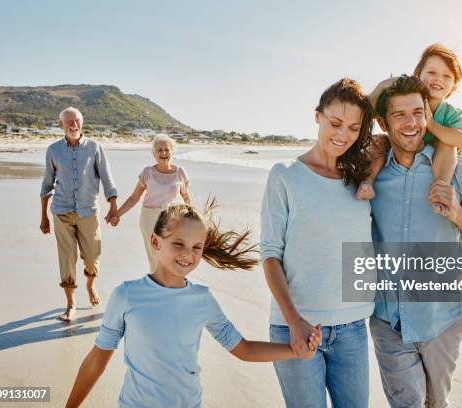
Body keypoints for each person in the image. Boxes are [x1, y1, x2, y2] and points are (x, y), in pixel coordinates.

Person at [66, 202, 321, 408]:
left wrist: (295, 351)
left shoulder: (202, 299)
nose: (188, 254)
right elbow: (97, 359)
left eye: (196, 247)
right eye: (178, 244)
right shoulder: (127, 295)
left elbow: (243, 349)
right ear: (155, 242)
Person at [370, 75, 462, 407]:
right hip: (388, 320)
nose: (411, 123)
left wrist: (458, 214)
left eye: (418, 112)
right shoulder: (371, 174)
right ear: (384, 123)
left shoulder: (459, 171)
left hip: (441, 320)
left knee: (437, 404)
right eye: (400, 115)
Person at [261, 78, 375, 408]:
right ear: (318, 117)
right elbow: (270, 255)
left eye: (354, 127)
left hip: (353, 326)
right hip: (296, 327)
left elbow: (396, 120)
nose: (343, 134)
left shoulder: (360, 178)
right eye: (335, 123)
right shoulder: (285, 174)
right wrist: (294, 321)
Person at [357, 44, 462, 209]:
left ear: (454, 85)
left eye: (447, 76)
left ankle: (440, 189)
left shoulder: (451, 113)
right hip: (404, 149)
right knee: (379, 141)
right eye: (431, 72)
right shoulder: (406, 96)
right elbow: (363, 114)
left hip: (437, 157)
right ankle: (367, 182)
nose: (438, 79)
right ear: (418, 75)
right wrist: (381, 87)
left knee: (447, 144)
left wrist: (430, 124)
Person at [40, 107, 118, 321]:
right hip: (61, 211)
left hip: (88, 211)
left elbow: (107, 177)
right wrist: (44, 216)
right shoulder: (53, 150)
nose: (73, 125)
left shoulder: (94, 147)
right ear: (61, 125)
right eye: (68, 122)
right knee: (66, 259)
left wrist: (113, 205)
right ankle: (71, 303)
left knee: (92, 256)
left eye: (76, 121)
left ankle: (90, 286)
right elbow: (47, 184)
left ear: (82, 124)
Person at [110, 134, 191, 271]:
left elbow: (186, 197)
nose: (164, 153)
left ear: (172, 152)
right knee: (155, 255)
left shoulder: (180, 172)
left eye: (167, 149)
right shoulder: (147, 172)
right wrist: (117, 214)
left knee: (172, 254)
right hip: (149, 219)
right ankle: (159, 286)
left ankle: (171, 283)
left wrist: (194, 218)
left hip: (172, 218)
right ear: (154, 154)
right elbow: (134, 198)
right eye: (160, 150)